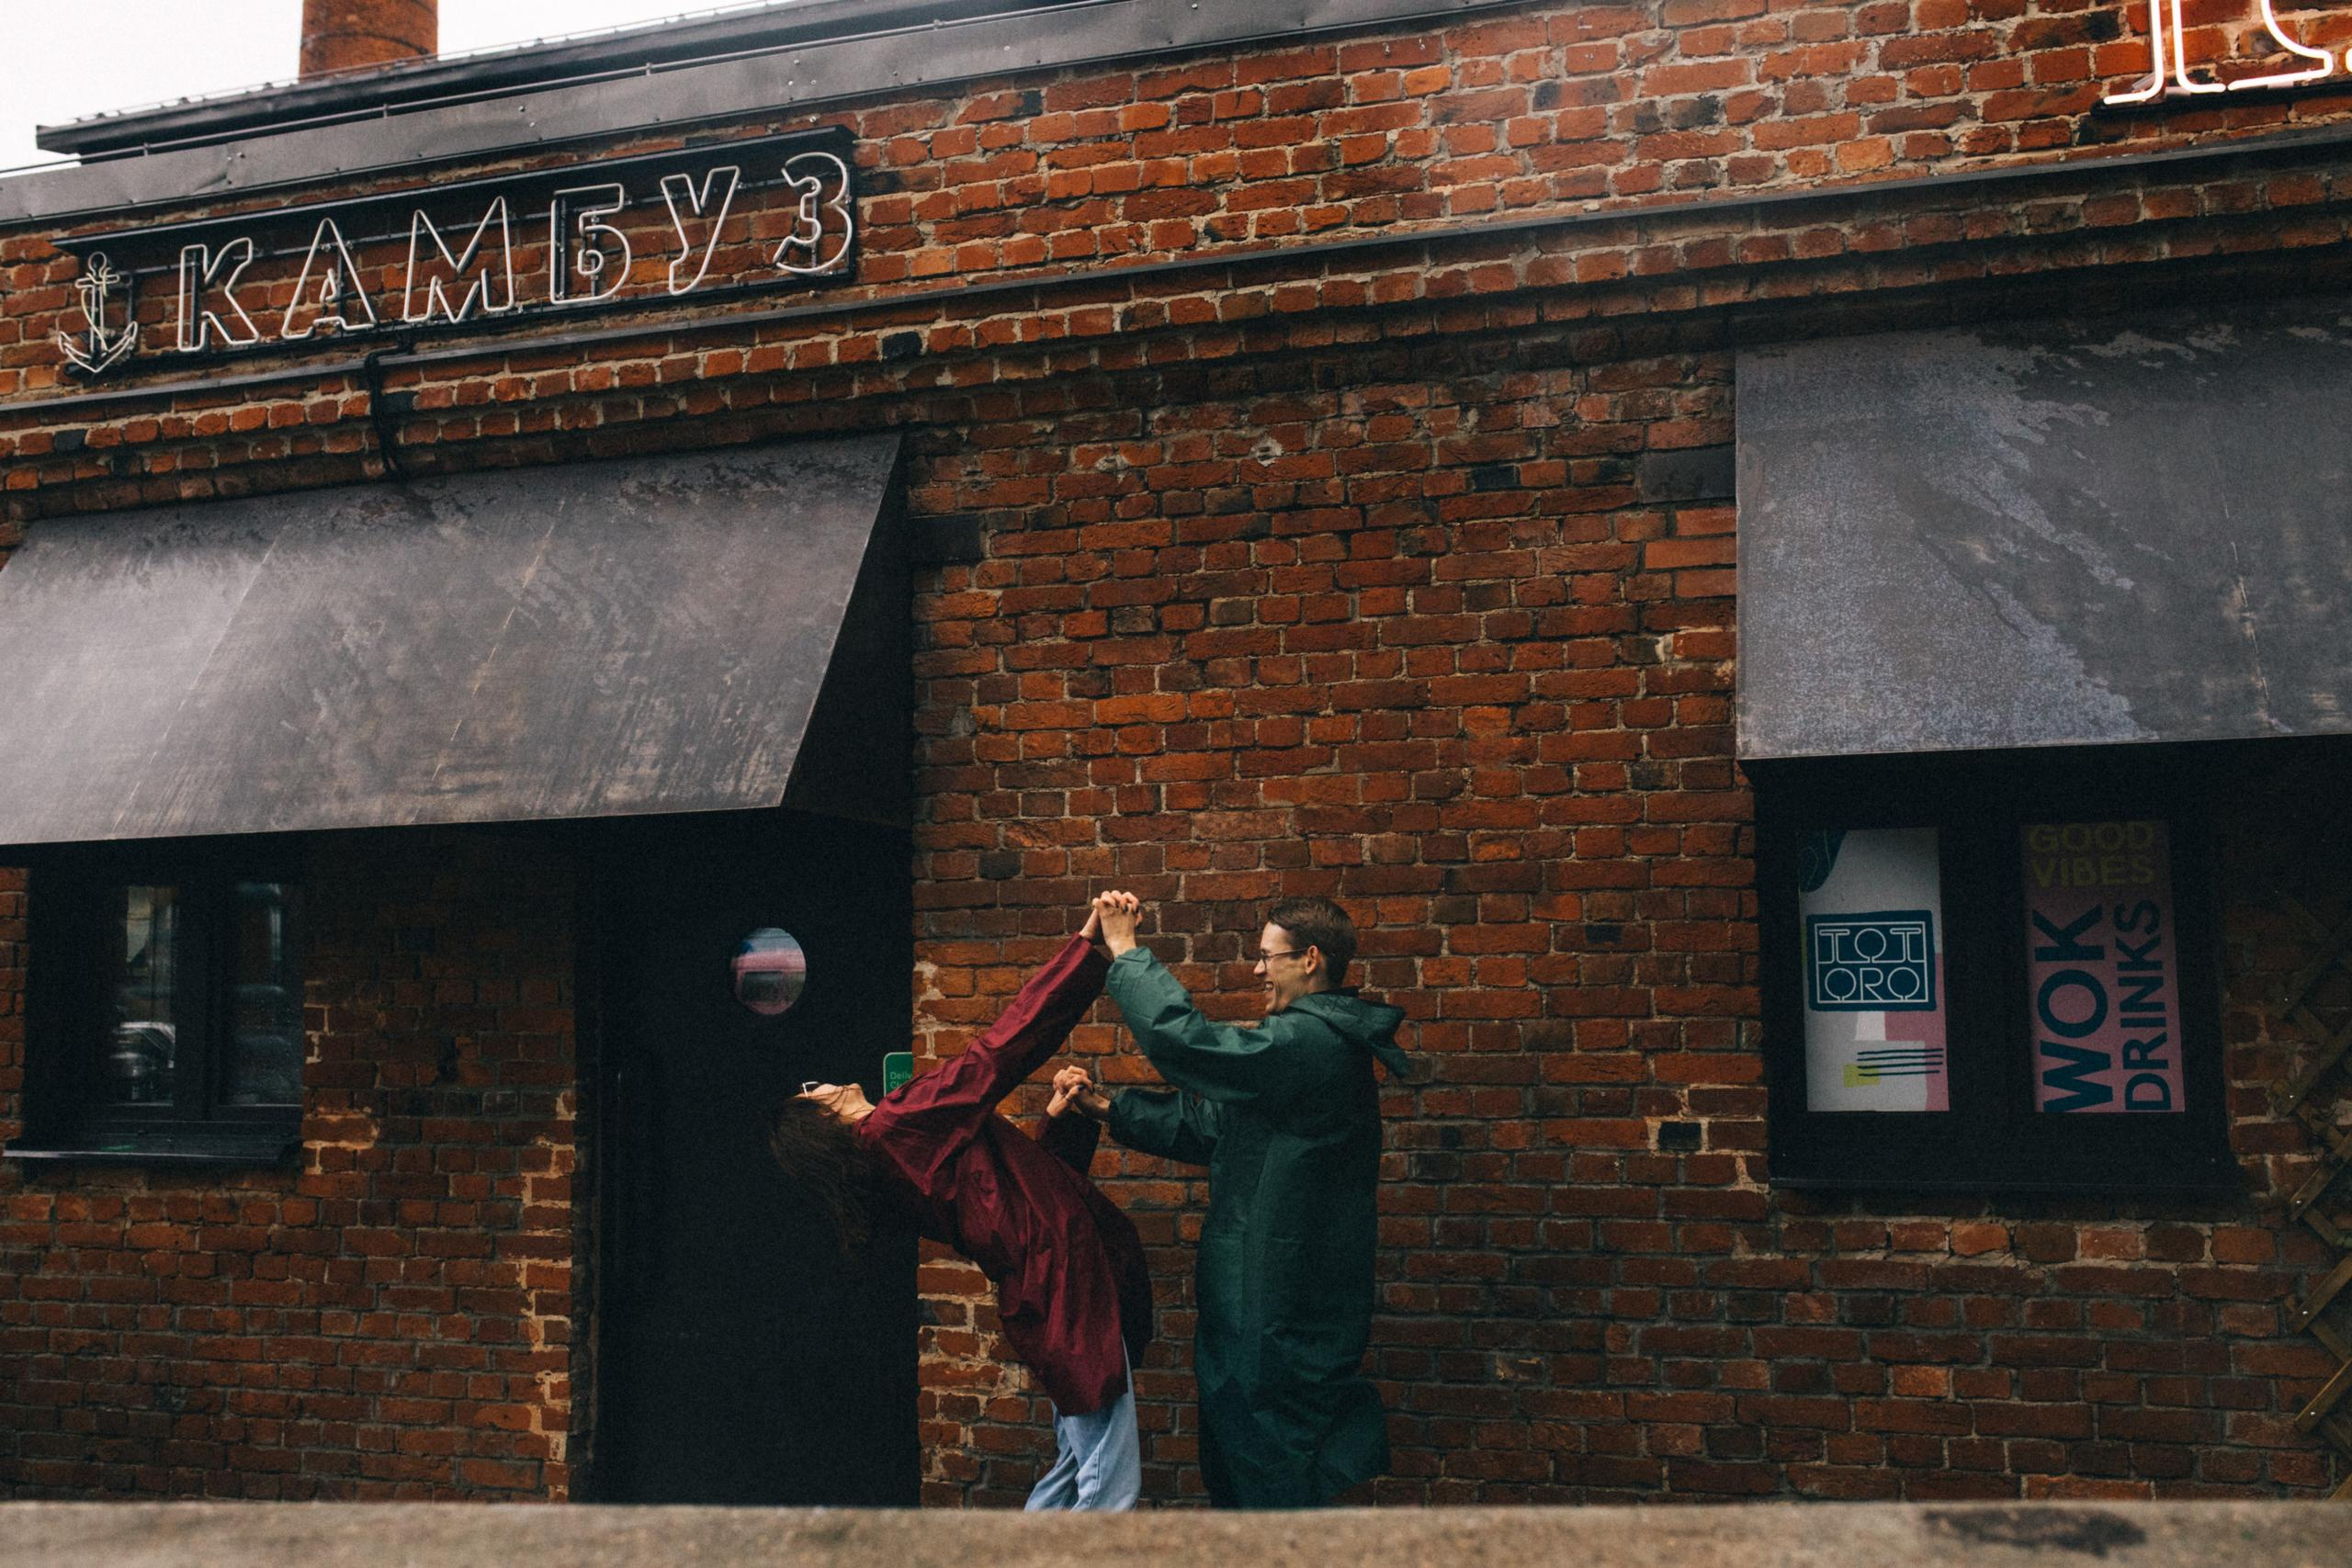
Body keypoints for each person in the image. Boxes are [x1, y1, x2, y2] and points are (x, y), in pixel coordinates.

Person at [771, 908, 1152, 1511]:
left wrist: (1057, 1122)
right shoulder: (899, 1123)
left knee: (1077, 1467)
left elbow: (1009, 1202)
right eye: (811, 1088)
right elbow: (1000, 1048)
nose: (822, 1082)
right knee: (1110, 1486)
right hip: (1063, 1289)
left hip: (1047, 1291)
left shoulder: (891, 1162)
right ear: (820, 1116)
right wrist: (1089, 951)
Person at [1058, 891, 1410, 1509]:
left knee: (1269, 1476)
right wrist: (1108, 1109)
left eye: (1268, 956)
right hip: (1259, 1307)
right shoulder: (1300, 1046)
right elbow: (1209, 1126)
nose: (1255, 968)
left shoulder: (1311, 1042)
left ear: (1310, 961)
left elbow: (1188, 1046)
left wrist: (1127, 951)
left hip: (1277, 1315)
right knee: (1243, 1469)